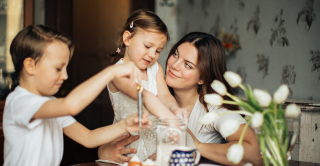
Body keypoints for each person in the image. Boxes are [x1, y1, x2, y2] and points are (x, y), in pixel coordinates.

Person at [3, 25, 152, 166]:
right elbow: (70, 105)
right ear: (30, 66)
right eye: (58, 68)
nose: (65, 75)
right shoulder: (20, 102)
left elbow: (88, 138)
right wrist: (111, 72)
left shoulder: (51, 104)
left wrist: (125, 124)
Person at [165, 32, 262, 165]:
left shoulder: (213, 109)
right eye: (175, 54)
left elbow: (255, 153)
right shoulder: (154, 96)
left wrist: (197, 146)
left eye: (188, 65)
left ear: (202, 78)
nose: (174, 65)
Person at [105, 10, 190, 161]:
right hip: (128, 146)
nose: (152, 55)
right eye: (147, 46)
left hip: (155, 143)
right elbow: (143, 96)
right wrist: (170, 118)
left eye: (158, 51)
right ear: (127, 38)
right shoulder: (117, 73)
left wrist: (173, 108)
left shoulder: (155, 68)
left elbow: (164, 95)